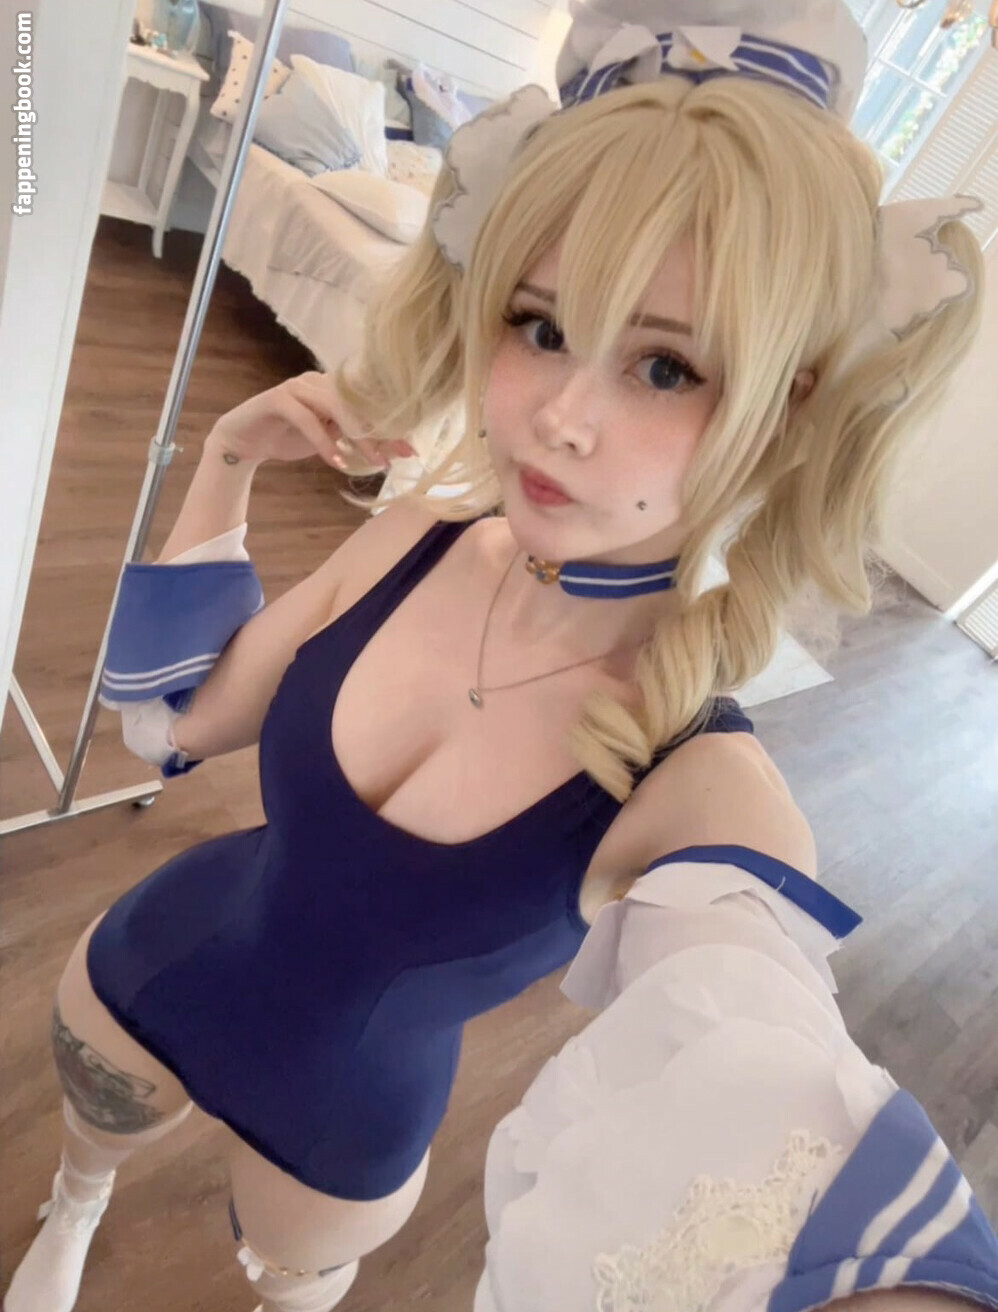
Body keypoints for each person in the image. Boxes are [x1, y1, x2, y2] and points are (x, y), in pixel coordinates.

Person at [5, 2, 994, 1311]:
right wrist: (227, 457)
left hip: (339, 1129)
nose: (559, 418)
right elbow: (170, 731)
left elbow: (763, 1074)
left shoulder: (699, 785)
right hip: (154, 963)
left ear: (788, 404)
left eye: (666, 367)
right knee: (85, 1152)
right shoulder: (416, 538)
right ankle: (74, 1206)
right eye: (540, 326)